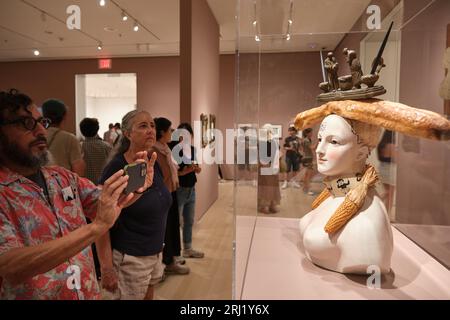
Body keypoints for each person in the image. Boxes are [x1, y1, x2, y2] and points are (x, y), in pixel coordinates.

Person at [0, 89, 152, 299]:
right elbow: (10, 267)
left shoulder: (61, 177)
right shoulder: (4, 193)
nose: (41, 132)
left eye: (41, 123)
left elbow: (106, 202)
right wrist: (95, 228)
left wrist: (138, 181)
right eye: (26, 123)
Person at [97, 110, 171, 300]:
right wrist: (106, 268)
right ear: (128, 134)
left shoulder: (151, 162)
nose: (150, 130)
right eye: (143, 126)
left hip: (154, 252)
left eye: (152, 125)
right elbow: (99, 219)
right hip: (130, 258)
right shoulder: (117, 168)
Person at [152, 117, 189, 275]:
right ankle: (164, 263)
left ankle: (171, 259)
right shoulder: (154, 151)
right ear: (162, 132)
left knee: (172, 227)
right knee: (165, 230)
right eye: (170, 130)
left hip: (170, 193)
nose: (172, 133)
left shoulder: (165, 149)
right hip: (161, 196)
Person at [174, 123, 204, 259]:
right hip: (179, 190)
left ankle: (188, 248)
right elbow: (175, 174)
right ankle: (175, 253)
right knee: (176, 222)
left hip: (191, 189)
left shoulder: (192, 149)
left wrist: (196, 169)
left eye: (189, 135)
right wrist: (188, 170)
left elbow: (197, 167)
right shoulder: (174, 151)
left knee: (189, 221)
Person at [42, 99, 85, 177]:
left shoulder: (38, 136)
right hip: (64, 184)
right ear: (64, 116)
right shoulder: (69, 138)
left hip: (42, 184)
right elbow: (78, 170)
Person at [79, 118, 112, 184]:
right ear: (97, 129)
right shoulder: (107, 147)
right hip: (103, 185)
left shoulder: (79, 147)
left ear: (82, 131)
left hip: (85, 186)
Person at [257, 124, 281, 214]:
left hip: (265, 166)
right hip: (272, 166)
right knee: (272, 186)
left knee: (266, 187)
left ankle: (266, 206)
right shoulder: (274, 141)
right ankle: (271, 205)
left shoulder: (262, 142)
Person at [376, 130, 396, 217]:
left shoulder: (382, 145)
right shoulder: (391, 145)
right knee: (390, 195)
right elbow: (396, 159)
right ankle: (387, 215)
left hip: (382, 168)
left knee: (387, 193)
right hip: (390, 170)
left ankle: (378, 207)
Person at [301, 128, 317, 196]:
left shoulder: (306, 140)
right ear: (307, 133)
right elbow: (312, 148)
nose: (312, 134)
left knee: (306, 175)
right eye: (311, 132)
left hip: (307, 158)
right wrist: (318, 142)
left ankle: (305, 188)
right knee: (308, 175)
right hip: (307, 158)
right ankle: (307, 190)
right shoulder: (306, 140)